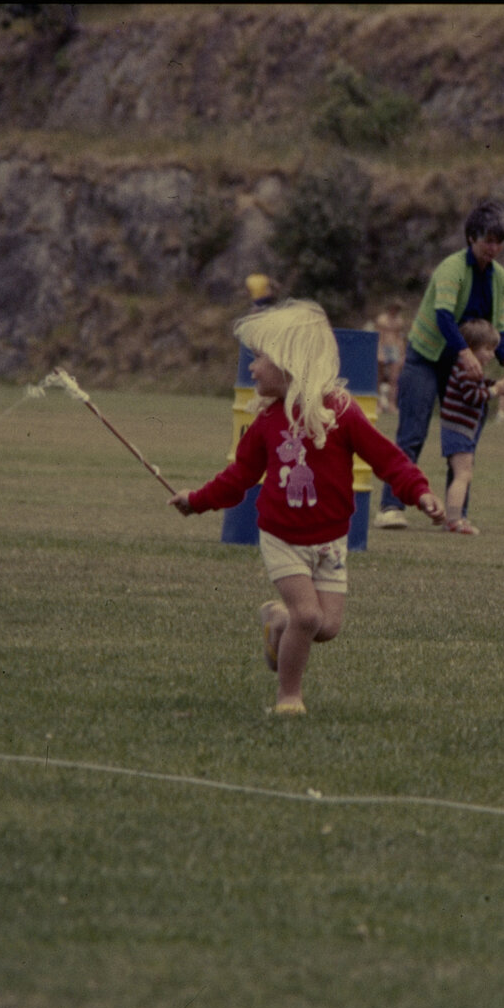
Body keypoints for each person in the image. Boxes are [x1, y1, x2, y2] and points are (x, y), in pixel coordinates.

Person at [168, 299, 445, 714]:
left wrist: (419, 492)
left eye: (260, 357)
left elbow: (387, 458)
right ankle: (288, 697)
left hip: (331, 540)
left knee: (327, 627)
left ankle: (277, 620)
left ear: (290, 362)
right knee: (308, 617)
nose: (252, 367)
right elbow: (237, 479)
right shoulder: (264, 424)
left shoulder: (342, 413)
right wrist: (197, 501)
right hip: (282, 537)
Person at [377, 199, 504, 529]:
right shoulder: (452, 269)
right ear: (471, 237)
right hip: (427, 357)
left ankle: (456, 515)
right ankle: (390, 506)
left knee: (464, 435)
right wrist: (465, 353)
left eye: (500, 241)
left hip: (462, 363)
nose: (494, 247)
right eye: (488, 239)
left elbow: (498, 324)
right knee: (413, 431)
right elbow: (444, 316)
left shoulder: (499, 277)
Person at [438, 319, 504, 535]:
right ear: (471, 347)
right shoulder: (466, 368)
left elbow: (479, 386)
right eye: (487, 349)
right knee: (462, 474)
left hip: (462, 429)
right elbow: (472, 396)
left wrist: (497, 386)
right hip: (458, 428)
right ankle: (453, 519)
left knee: (464, 473)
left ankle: (455, 517)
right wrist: (495, 390)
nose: (491, 355)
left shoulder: (472, 369)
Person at [373, 300, 407, 412]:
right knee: (379, 378)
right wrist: (379, 351)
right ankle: (378, 404)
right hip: (383, 347)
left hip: (395, 349)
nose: (395, 310)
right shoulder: (381, 319)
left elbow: (400, 338)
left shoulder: (399, 321)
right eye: (393, 308)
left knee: (394, 379)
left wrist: (402, 354)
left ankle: (392, 404)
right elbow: (377, 336)